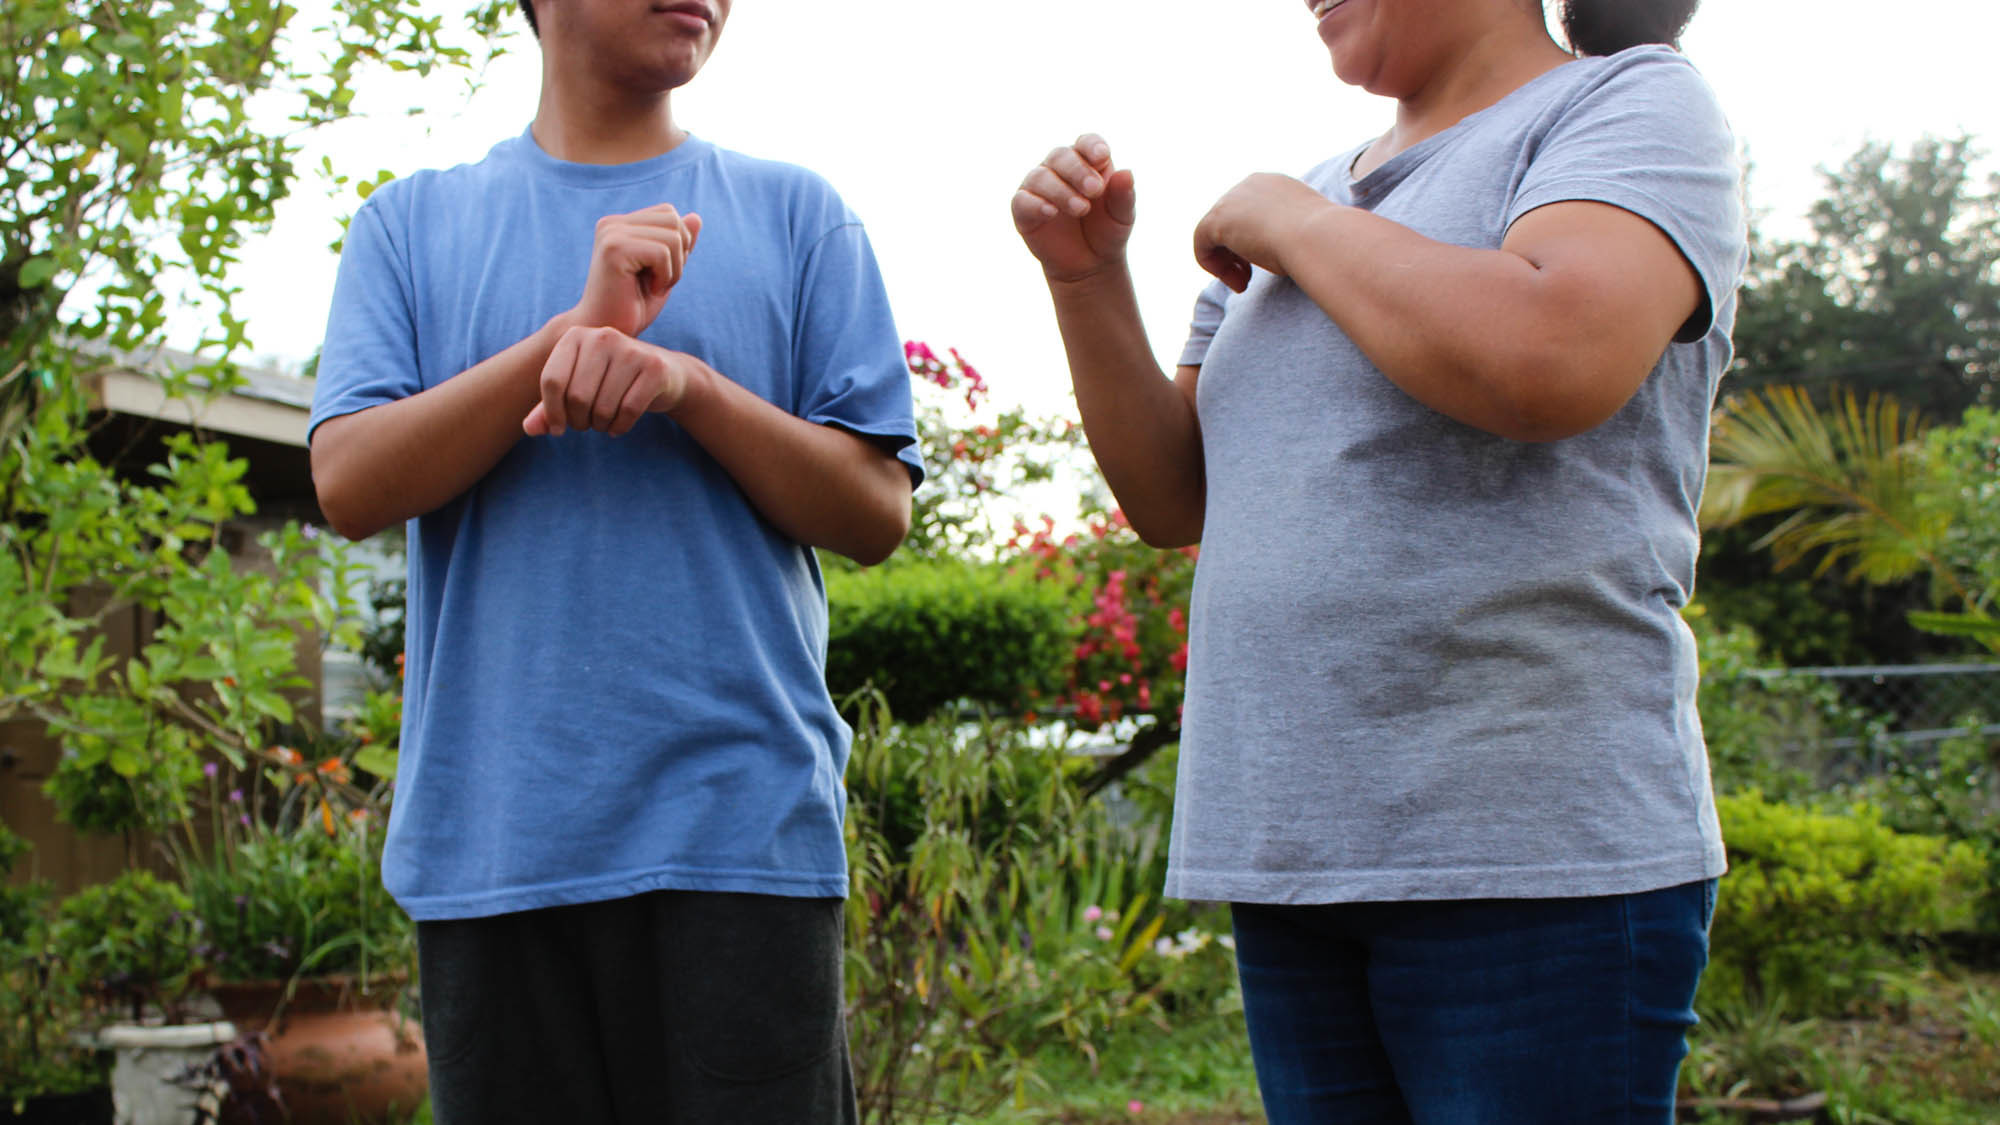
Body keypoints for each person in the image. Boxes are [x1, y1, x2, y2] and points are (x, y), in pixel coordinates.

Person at [1012, 0, 1744, 1121]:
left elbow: (1551, 354)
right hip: (1298, 850)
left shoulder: (1625, 100)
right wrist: (1084, 280)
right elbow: (1170, 494)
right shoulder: (1306, 193)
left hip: (1529, 857)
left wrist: (1296, 225)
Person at [308, 0, 921, 1119]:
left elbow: (875, 512)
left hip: (742, 838)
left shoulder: (799, 216)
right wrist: (565, 338)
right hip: (494, 845)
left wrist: (686, 386)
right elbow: (348, 483)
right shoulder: (408, 225)